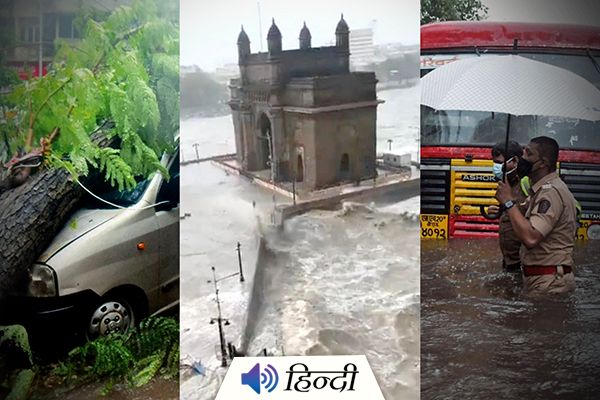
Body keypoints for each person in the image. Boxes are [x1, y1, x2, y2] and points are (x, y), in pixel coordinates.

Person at [495, 136, 577, 295]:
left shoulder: (550, 193)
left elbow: (531, 237)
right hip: (541, 280)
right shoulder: (539, 190)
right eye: (523, 152)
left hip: (550, 283)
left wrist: (509, 202)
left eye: (528, 154)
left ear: (542, 163)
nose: (522, 158)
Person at [487, 140, 528, 271]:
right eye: (494, 163)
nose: (495, 167)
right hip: (510, 261)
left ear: (515, 161)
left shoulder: (527, 182)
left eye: (499, 163)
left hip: (524, 262)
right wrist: (499, 210)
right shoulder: (506, 184)